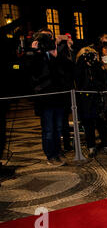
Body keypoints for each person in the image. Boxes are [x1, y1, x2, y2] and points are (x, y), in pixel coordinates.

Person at [29, 28, 74, 166]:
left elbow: (69, 69)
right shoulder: (35, 55)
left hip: (58, 97)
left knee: (59, 127)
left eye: (49, 37)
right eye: (44, 38)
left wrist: (56, 55)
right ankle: (50, 154)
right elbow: (33, 73)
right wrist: (35, 53)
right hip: (45, 99)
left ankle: (58, 151)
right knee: (48, 129)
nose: (48, 40)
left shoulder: (58, 53)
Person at [75, 45, 107, 157]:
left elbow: (105, 81)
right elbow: (79, 82)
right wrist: (82, 63)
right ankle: (91, 147)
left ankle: (106, 145)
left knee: (103, 123)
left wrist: (96, 66)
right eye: (86, 54)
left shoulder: (98, 66)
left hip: (99, 99)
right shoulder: (79, 67)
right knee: (88, 124)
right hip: (85, 101)